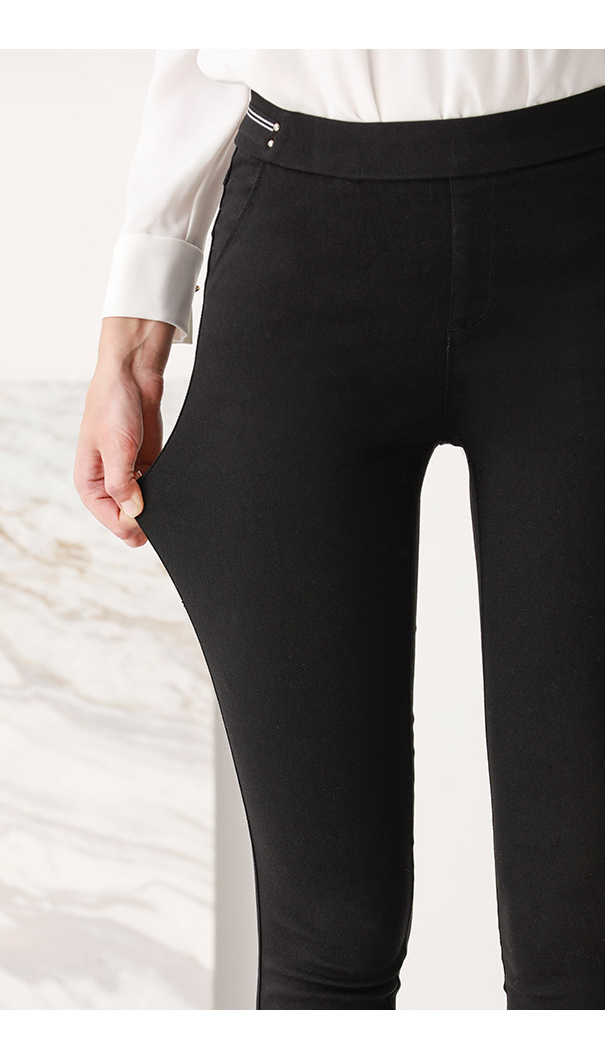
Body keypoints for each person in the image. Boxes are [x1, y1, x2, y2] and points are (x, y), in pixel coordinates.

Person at [74, 49, 605, 1010]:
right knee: (325, 939)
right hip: (302, 233)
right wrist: (136, 326)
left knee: (587, 937)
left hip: (582, 218)